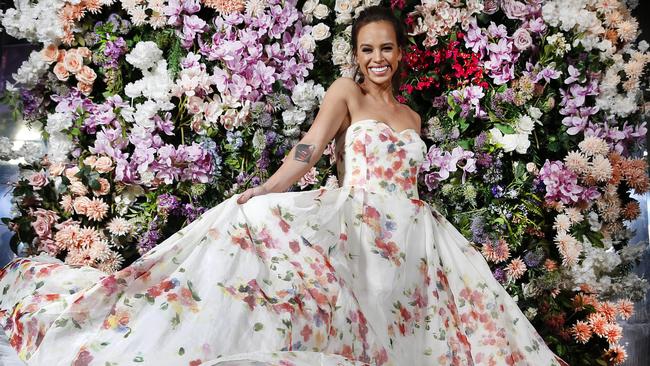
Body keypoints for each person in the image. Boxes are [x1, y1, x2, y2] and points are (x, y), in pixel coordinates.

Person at [0, 6, 569, 366]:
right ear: (356, 53)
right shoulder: (344, 95)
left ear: (400, 54)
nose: (377, 58)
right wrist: (268, 189)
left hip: (415, 237)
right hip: (360, 227)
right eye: (367, 48)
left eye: (386, 48)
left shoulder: (414, 117)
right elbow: (312, 148)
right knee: (333, 307)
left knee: (425, 333)